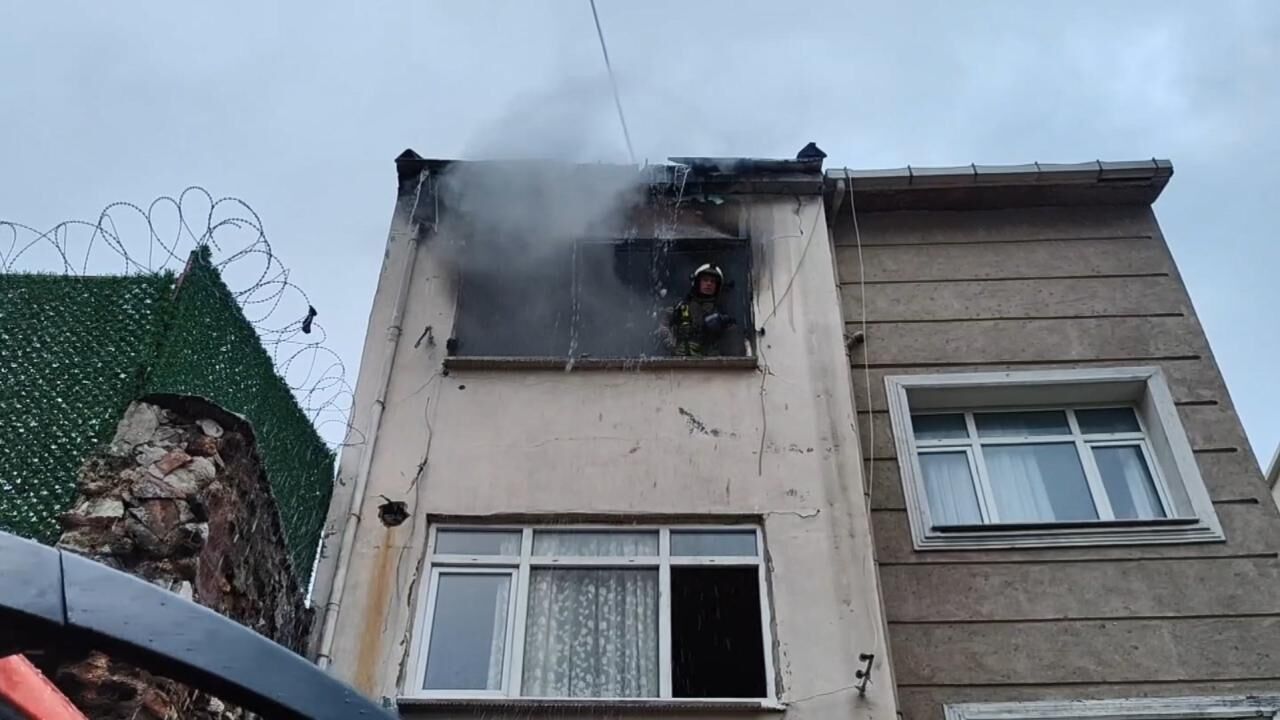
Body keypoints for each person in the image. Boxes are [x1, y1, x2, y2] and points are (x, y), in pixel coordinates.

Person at [658, 263, 736, 357]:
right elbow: (663, 326)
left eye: (713, 281)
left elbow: (732, 341)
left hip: (711, 362)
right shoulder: (681, 306)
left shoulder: (722, 313)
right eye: (705, 280)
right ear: (697, 282)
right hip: (681, 360)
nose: (709, 284)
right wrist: (673, 347)